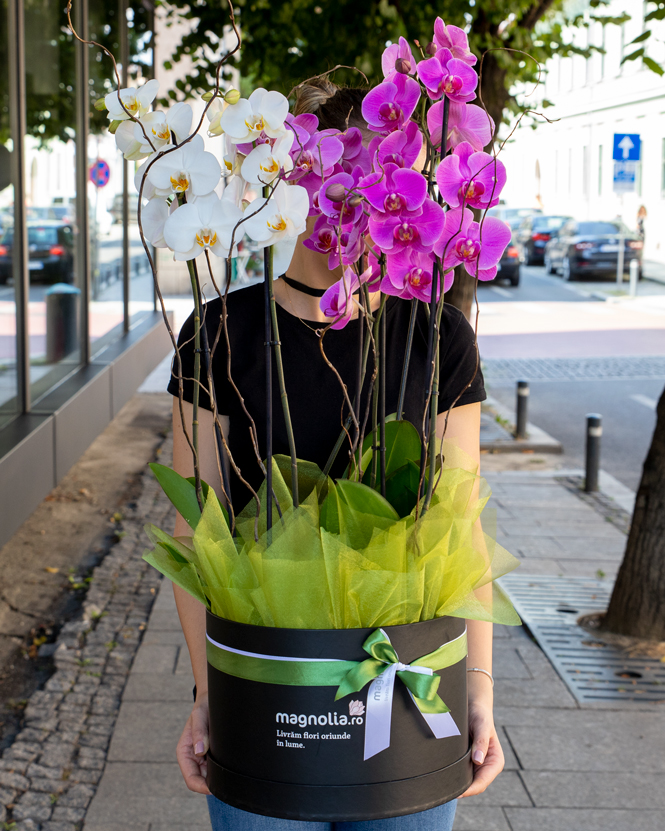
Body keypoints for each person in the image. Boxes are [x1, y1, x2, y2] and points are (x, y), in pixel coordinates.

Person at [167, 79, 503, 831]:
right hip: (269, 690)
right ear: (286, 174)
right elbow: (197, 533)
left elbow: (461, 524)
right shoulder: (218, 331)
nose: (347, 200)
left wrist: (477, 689)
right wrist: (207, 694)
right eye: (329, 176)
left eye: (379, 177)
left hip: (409, 682)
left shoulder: (437, 336)